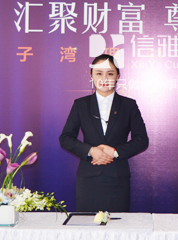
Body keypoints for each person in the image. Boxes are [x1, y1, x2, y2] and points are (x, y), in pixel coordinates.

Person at [59, 54, 149, 212]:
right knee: (87, 225)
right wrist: (91, 150)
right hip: (88, 178)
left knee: (118, 225)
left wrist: (114, 152)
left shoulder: (128, 105)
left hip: (117, 179)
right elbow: (66, 138)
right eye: (99, 73)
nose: (104, 78)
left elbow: (142, 140)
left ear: (118, 76)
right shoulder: (81, 104)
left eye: (110, 73)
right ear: (91, 75)